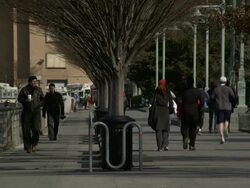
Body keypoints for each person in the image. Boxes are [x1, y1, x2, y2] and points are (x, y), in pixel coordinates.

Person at [18, 76, 44, 153]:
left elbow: (43, 99)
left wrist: (39, 104)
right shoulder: (24, 90)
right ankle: (28, 146)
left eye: (35, 81)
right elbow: (19, 99)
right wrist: (25, 100)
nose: (34, 83)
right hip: (26, 112)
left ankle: (34, 144)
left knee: (36, 129)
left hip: (36, 112)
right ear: (29, 82)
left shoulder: (39, 90)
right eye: (33, 81)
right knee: (26, 130)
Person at [180, 76, 204, 150]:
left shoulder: (184, 91)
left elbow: (181, 101)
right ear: (193, 82)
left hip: (185, 111)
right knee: (193, 129)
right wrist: (199, 109)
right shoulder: (198, 91)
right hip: (195, 111)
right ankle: (192, 145)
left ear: (187, 82)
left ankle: (185, 136)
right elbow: (202, 101)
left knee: (184, 127)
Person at [211, 76, 236, 144]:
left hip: (219, 107)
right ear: (226, 81)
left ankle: (222, 137)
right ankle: (226, 127)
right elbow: (233, 97)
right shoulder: (229, 89)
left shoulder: (216, 89)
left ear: (220, 81)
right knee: (227, 120)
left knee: (220, 122)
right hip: (228, 107)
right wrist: (232, 103)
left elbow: (212, 98)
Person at [151, 79, 173, 151]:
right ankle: (165, 145)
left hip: (157, 111)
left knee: (158, 129)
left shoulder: (156, 91)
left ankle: (159, 146)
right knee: (166, 129)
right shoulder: (167, 91)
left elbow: (152, 101)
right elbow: (171, 102)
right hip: (165, 111)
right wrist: (170, 110)